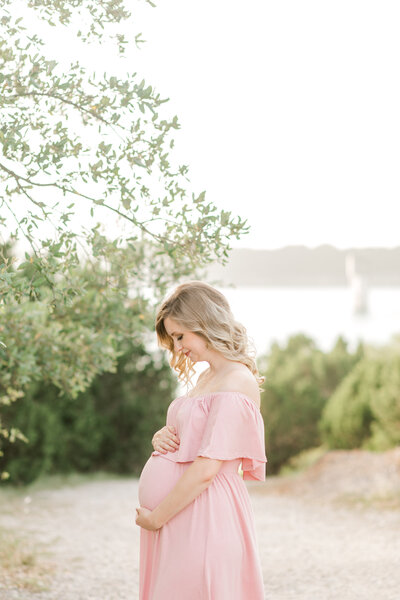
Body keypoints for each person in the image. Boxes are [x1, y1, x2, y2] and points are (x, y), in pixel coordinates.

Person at [135, 280, 267, 599]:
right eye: (173, 339)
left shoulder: (236, 380)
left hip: (204, 514)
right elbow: (191, 441)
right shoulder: (209, 377)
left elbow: (207, 467)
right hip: (184, 512)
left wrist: (156, 517)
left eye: (180, 336)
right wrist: (162, 437)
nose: (178, 347)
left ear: (203, 323)